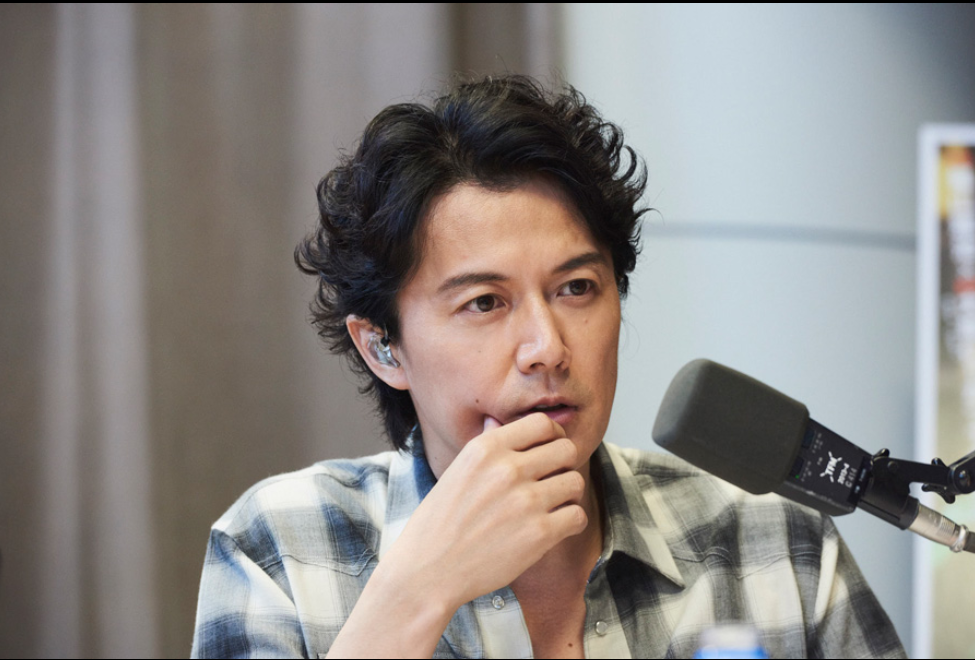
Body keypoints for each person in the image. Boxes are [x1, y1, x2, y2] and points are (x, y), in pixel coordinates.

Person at [190, 74, 906, 659]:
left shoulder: (774, 546)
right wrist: (417, 591)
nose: (547, 347)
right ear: (383, 347)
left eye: (576, 288)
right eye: (483, 302)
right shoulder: (282, 549)